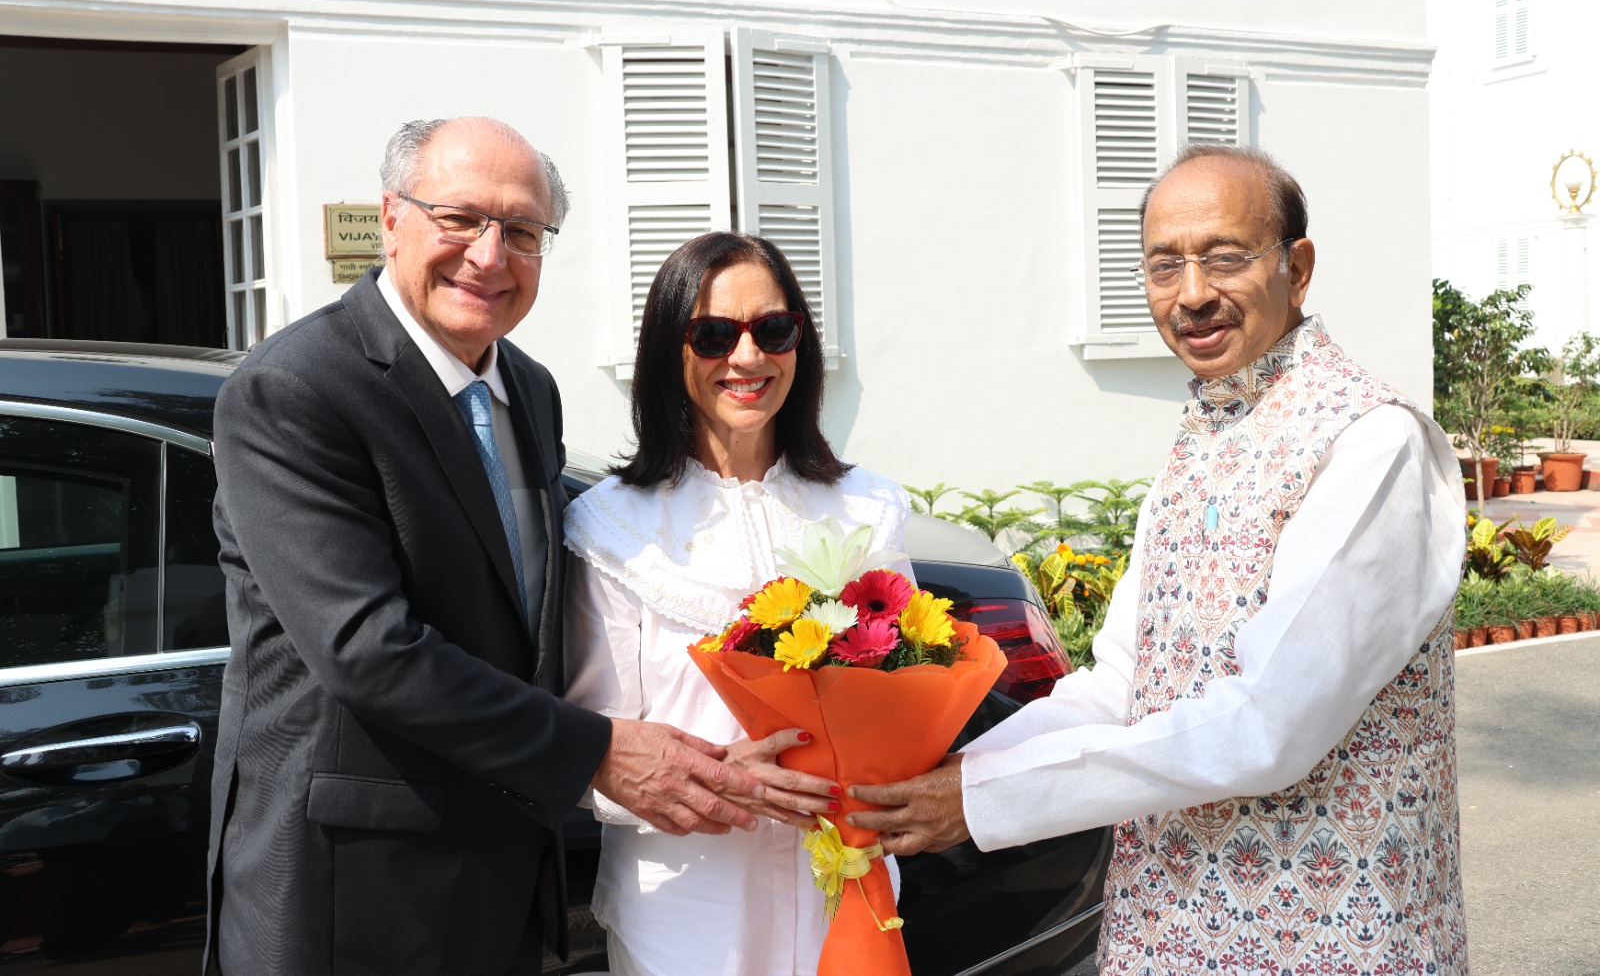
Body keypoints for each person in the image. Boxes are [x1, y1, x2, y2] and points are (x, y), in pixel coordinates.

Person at [852, 144, 1469, 975]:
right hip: (1168, 933)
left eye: (1226, 257)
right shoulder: (1205, 438)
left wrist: (982, 800)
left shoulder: (1370, 442)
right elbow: (1121, 684)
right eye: (1164, 265)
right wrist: (954, 771)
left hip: (1326, 944)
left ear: (1297, 268)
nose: (1193, 293)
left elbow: (1270, 726)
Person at [206, 118, 765, 976]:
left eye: (523, 231)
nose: (490, 255)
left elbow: (538, 614)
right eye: (460, 218)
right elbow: (367, 649)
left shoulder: (529, 389)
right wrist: (598, 750)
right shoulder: (295, 387)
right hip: (354, 891)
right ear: (391, 217)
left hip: (504, 879)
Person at [563, 231, 914, 976]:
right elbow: (595, 749)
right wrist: (729, 780)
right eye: (714, 335)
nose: (748, 357)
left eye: (773, 329)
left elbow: (906, 688)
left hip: (844, 888)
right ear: (670, 351)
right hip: (687, 908)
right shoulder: (611, 526)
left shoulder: (869, 507)